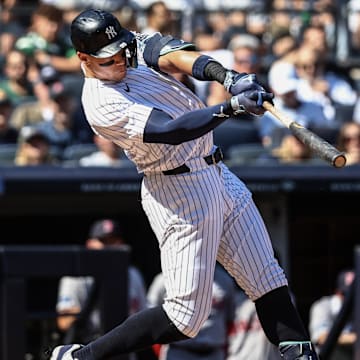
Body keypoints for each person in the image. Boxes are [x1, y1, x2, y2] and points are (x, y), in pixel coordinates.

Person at [49, 8, 319, 360]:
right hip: (177, 192)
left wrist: (228, 76)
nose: (119, 60)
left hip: (218, 174)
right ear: (83, 58)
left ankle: (301, 354)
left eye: (121, 49)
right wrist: (230, 107)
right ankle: (78, 357)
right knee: (185, 317)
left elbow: (177, 56)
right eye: (107, 57)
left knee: (267, 278)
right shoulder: (100, 102)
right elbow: (170, 130)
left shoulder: (129, 48)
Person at [56, 219, 148, 358]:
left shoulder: (132, 274)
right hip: (88, 347)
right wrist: (80, 314)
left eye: (113, 240)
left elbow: (144, 317)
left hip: (124, 348)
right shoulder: (75, 277)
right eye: (103, 241)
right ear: (89, 244)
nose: (108, 246)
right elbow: (63, 322)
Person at [147, 262, 236, 360]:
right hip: (179, 351)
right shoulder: (165, 279)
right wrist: (160, 351)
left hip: (213, 352)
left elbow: (229, 322)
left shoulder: (225, 280)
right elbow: (152, 322)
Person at [309, 269, 356, 359]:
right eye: (345, 294)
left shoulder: (357, 308)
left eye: (353, 296)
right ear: (337, 292)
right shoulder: (322, 306)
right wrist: (355, 338)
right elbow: (321, 337)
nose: (349, 299)